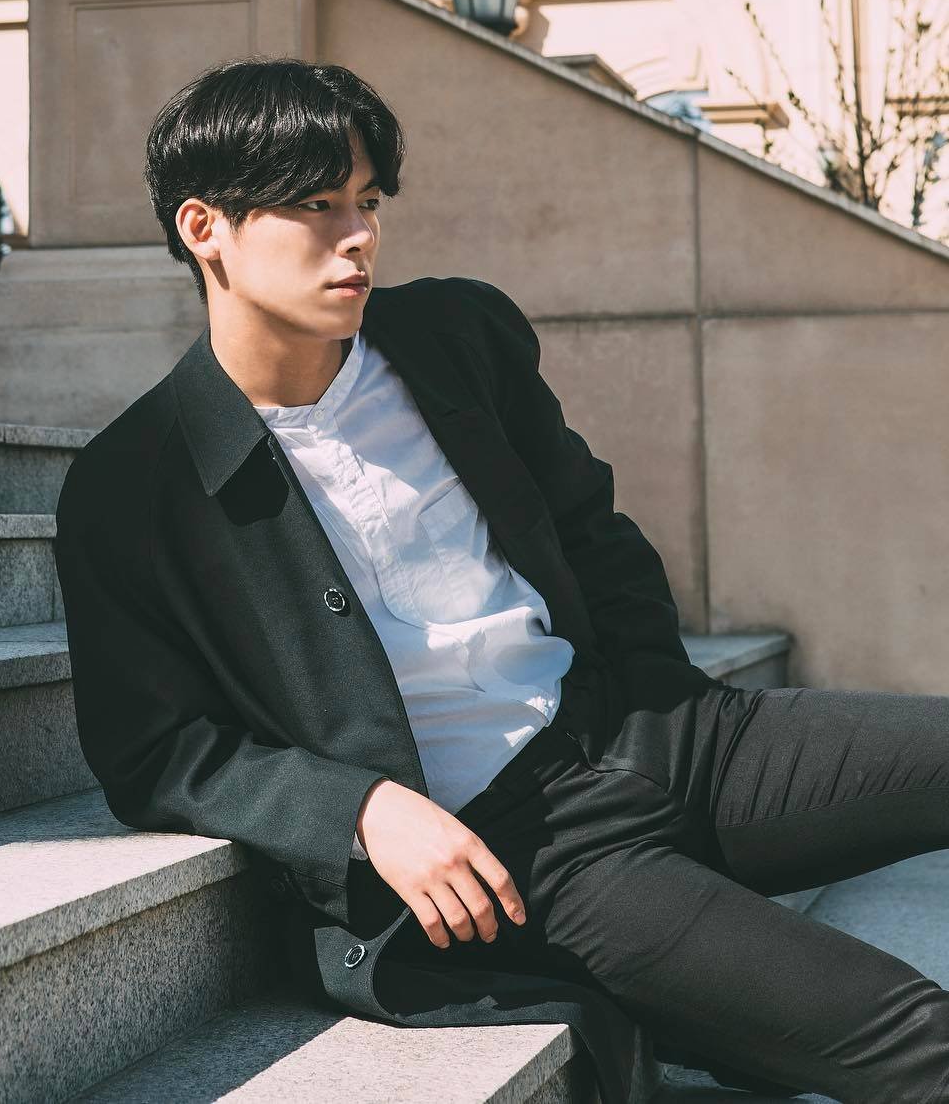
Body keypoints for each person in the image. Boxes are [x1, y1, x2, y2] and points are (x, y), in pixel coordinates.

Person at [52, 55, 949, 1104]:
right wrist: (361, 809)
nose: (359, 235)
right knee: (916, 1038)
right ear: (205, 227)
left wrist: (656, 684)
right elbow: (156, 750)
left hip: (659, 734)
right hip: (530, 849)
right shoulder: (134, 484)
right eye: (315, 204)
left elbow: (591, 525)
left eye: (367, 201)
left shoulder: (454, 338)